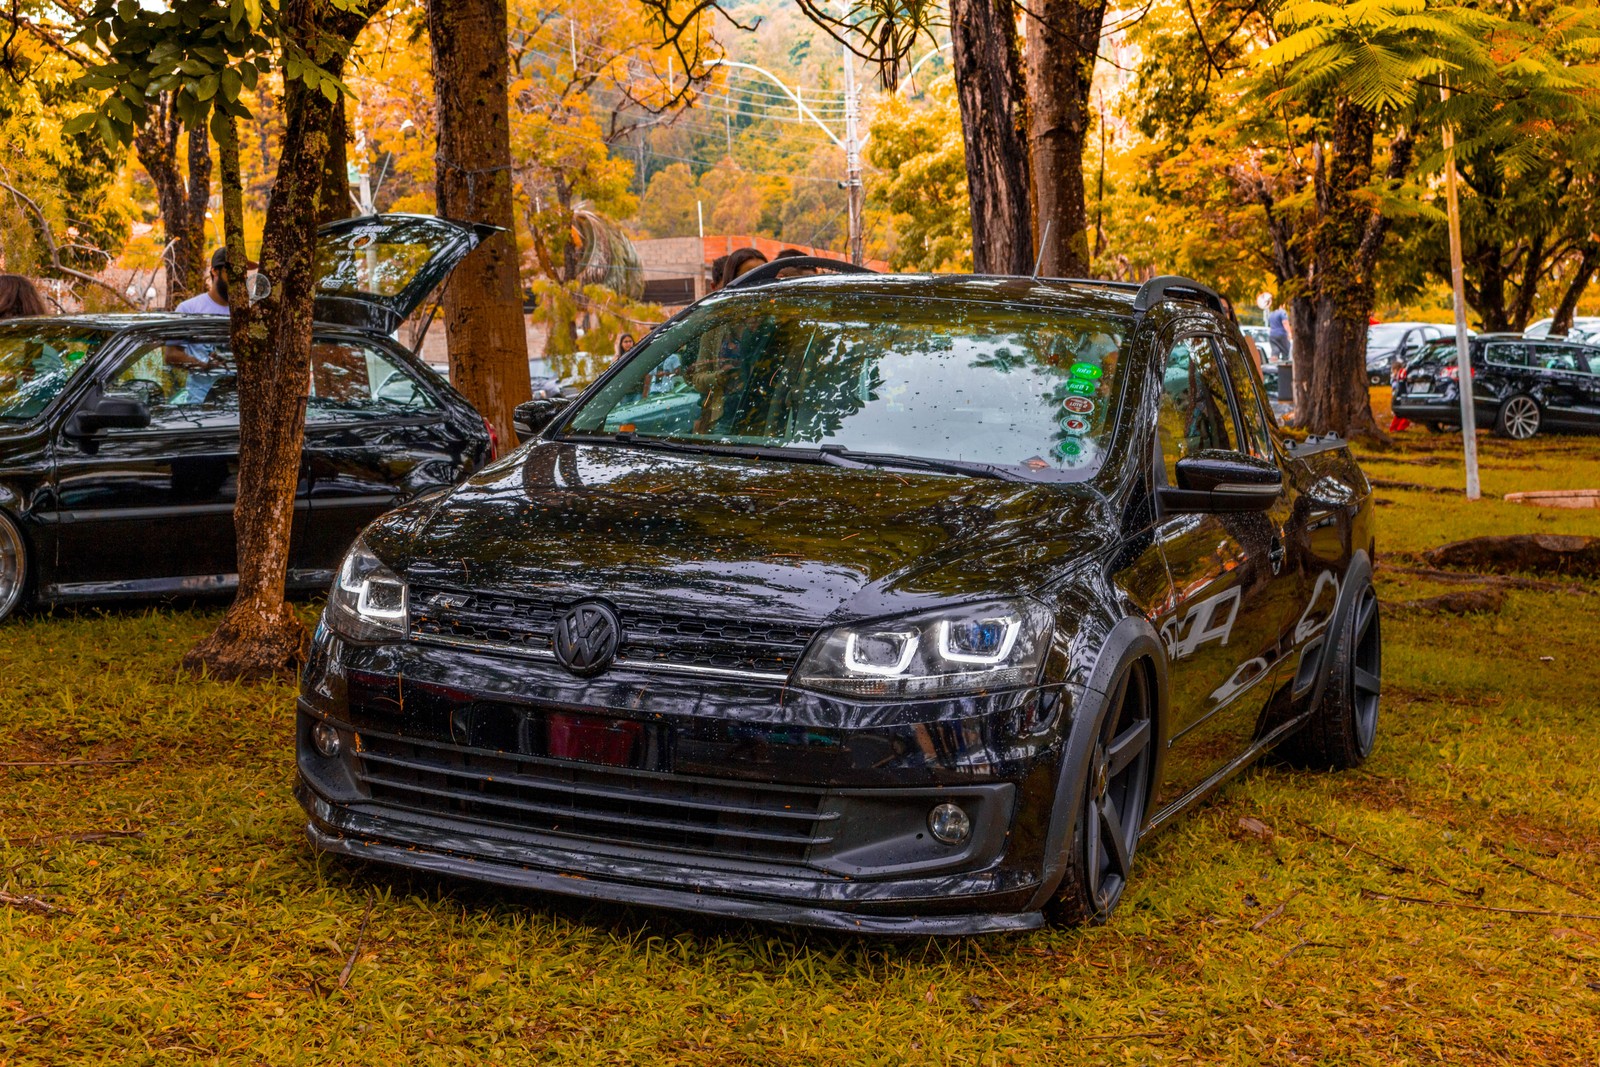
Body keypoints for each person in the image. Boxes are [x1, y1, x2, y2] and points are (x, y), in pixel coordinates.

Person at [176, 247, 254, 315]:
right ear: (215, 271)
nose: (238, 277)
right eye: (232, 271)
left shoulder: (249, 311)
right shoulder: (188, 310)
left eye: (243, 271)